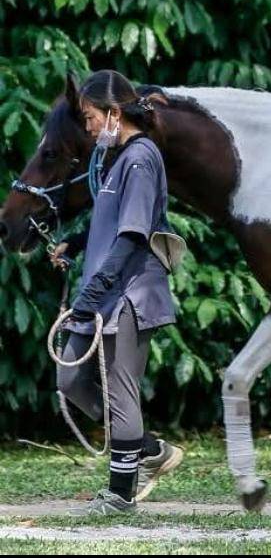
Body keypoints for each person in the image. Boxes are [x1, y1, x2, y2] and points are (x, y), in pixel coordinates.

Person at [54, 70, 185, 516]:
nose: (88, 127)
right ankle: (146, 448)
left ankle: (120, 494)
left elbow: (132, 237)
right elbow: (109, 222)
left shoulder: (141, 158)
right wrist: (75, 242)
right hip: (100, 294)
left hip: (128, 295)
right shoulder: (115, 160)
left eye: (90, 117)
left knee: (120, 392)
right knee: (70, 380)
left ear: (113, 113)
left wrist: (92, 295)